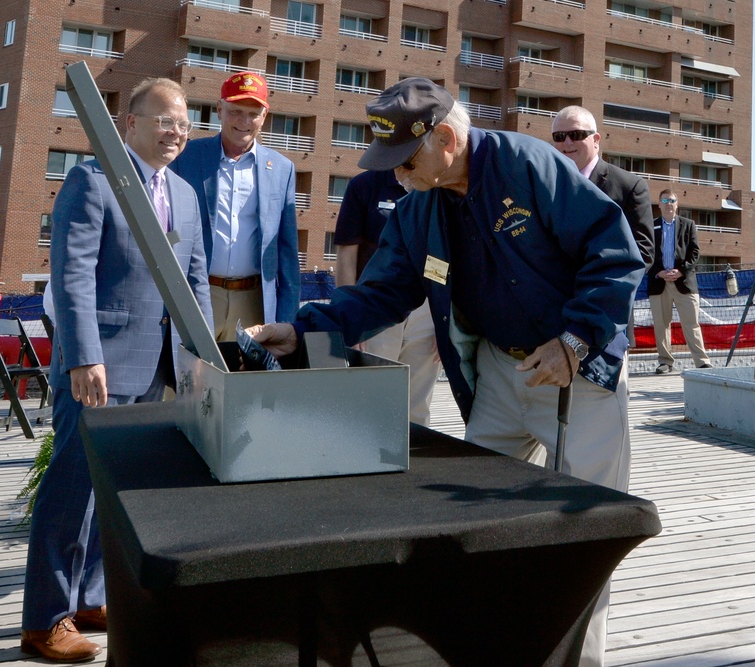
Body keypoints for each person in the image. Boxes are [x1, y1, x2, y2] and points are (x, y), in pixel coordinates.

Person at [248, 77, 644, 666]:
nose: (396, 175)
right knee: (478, 526)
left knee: (586, 533)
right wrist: (304, 331)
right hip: (496, 376)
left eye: (405, 160)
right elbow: (381, 293)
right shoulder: (415, 210)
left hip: (574, 373)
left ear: (447, 140)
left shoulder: (528, 163)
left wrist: (577, 339)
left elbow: (613, 251)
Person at [21, 78, 213, 663]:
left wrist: (199, 359)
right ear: (130, 123)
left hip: (159, 370)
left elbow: (195, 280)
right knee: (73, 488)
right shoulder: (93, 179)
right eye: (164, 121)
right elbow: (71, 274)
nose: (175, 132)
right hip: (98, 367)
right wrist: (82, 355)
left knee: (123, 491)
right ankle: (45, 620)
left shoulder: (184, 192)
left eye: (183, 123)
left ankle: (91, 598)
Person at [171, 71, 299, 339]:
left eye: (253, 113)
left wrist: (288, 321)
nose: (244, 121)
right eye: (236, 111)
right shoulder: (186, 157)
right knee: (190, 377)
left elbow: (287, 252)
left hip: (254, 302)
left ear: (265, 116)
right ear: (219, 109)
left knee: (242, 379)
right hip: (198, 293)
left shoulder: (282, 169)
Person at [334, 169, 441, 426]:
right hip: (375, 307)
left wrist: (443, 316)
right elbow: (347, 255)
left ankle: (413, 461)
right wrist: (351, 317)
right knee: (371, 398)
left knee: (417, 404)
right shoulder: (365, 185)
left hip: (426, 310)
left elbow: (442, 254)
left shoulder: (437, 184)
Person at [550, 106, 654, 271]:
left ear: (596, 140)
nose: (567, 142)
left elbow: (642, 253)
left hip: (602, 292)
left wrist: (601, 290)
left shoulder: (629, 187)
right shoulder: (544, 184)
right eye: (559, 136)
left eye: (576, 135)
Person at [648, 188, 712, 374]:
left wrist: (681, 271)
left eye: (672, 201)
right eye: (665, 201)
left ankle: (701, 362)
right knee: (661, 325)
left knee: (692, 324)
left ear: (677, 204)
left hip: (684, 283)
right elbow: (646, 253)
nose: (669, 204)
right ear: (659, 204)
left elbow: (695, 252)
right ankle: (665, 362)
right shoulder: (650, 226)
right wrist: (658, 272)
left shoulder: (688, 224)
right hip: (659, 284)